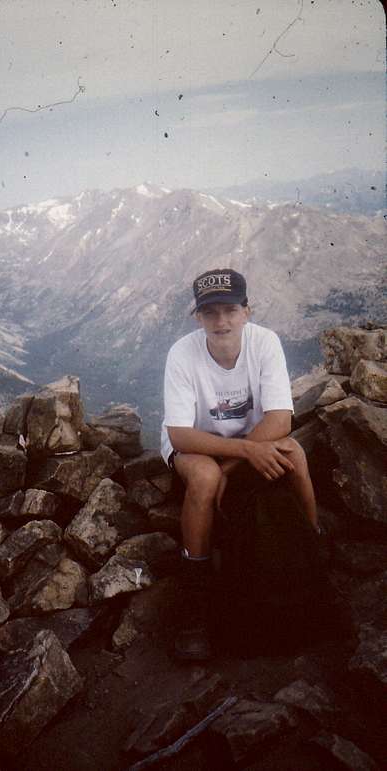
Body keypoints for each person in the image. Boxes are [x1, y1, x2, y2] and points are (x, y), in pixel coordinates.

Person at [161, 268, 319, 661]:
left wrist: (240, 458)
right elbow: (180, 434)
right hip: (201, 442)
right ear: (197, 317)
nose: (221, 321)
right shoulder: (183, 353)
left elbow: (281, 420)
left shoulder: (265, 343)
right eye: (210, 312)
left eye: (230, 310)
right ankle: (195, 596)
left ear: (247, 311)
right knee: (204, 476)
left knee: (295, 454)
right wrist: (243, 456)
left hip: (252, 436)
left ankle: (314, 548)